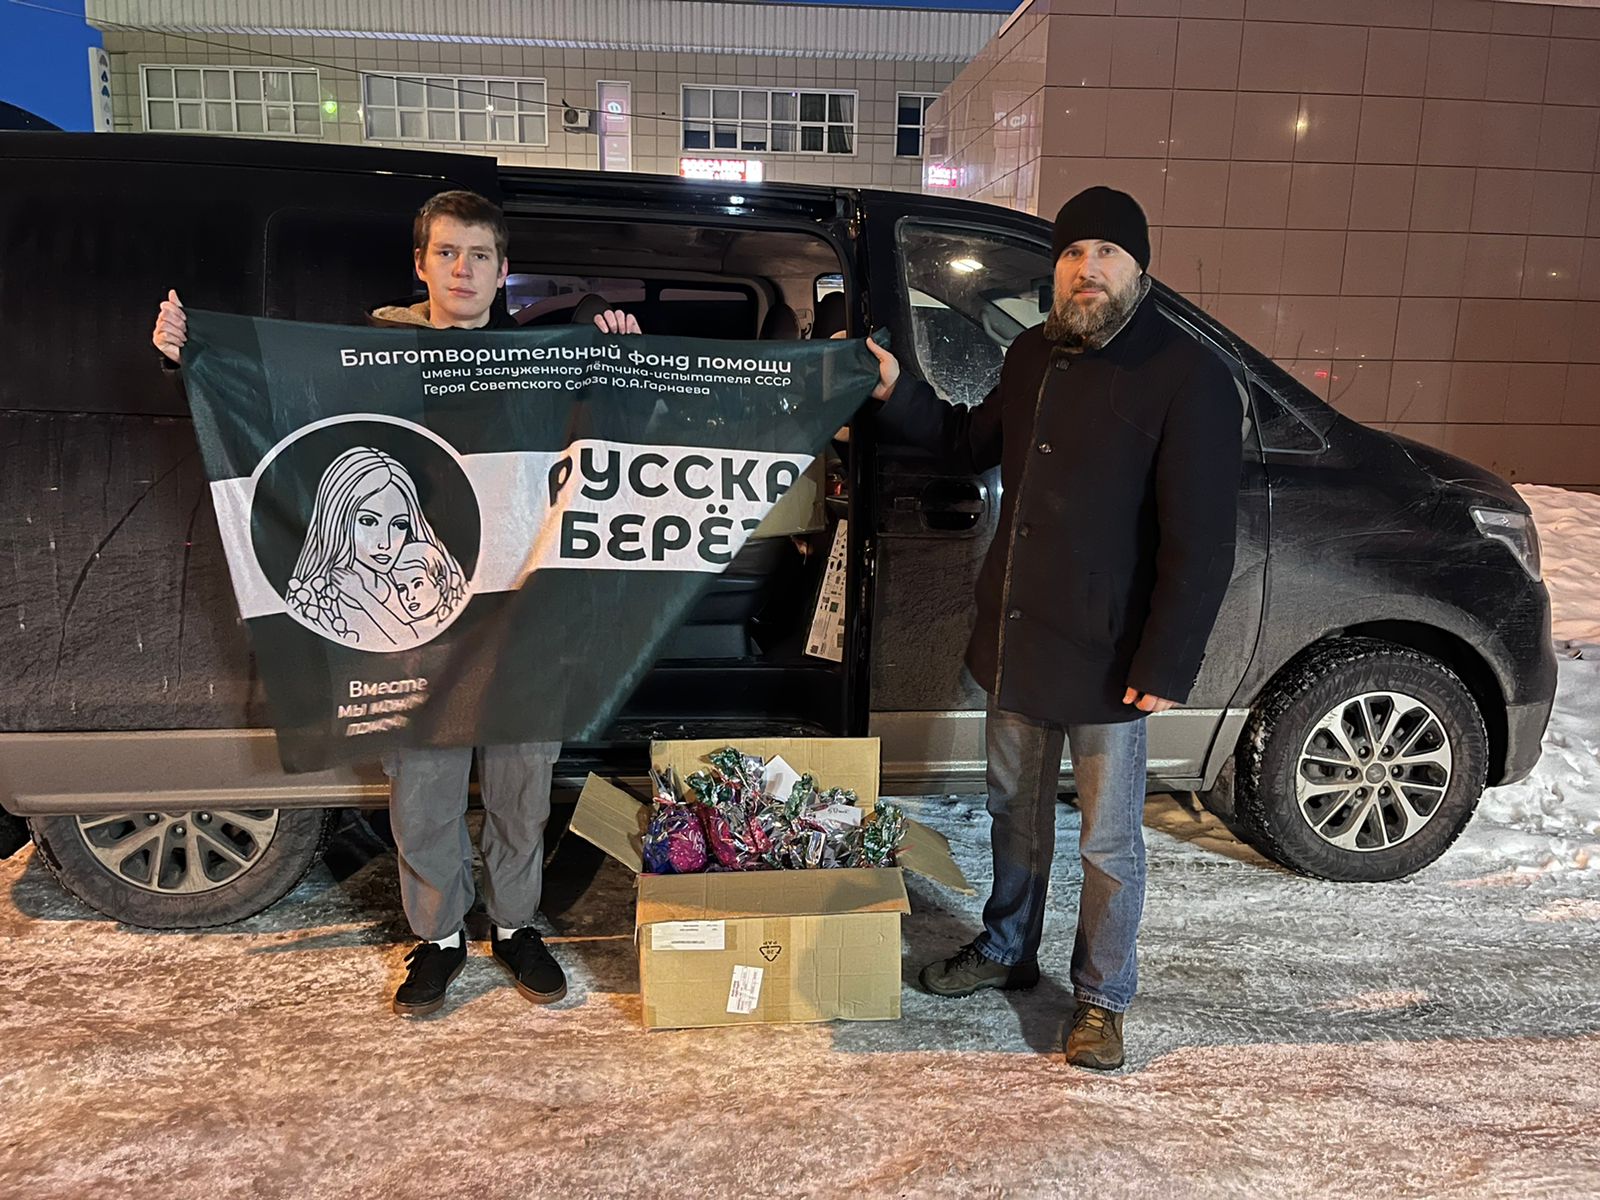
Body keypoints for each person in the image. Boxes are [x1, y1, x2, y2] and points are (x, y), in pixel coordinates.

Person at [151, 189, 639, 1018]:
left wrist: (622, 360)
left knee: (522, 787)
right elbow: (269, 395)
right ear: (421, 265)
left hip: (521, 616)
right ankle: (439, 938)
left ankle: (515, 926)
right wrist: (187, 355)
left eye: (479, 255)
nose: (463, 269)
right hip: (414, 627)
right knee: (424, 794)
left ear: (504, 272)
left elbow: (615, 437)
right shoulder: (370, 358)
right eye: (447, 252)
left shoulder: (545, 361)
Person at [864, 187, 1242, 1070]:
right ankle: (1007, 947)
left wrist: (1167, 658)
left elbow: (1201, 540)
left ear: (1139, 269)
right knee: (1014, 813)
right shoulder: (1034, 353)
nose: (1087, 268)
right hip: (1019, 635)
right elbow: (968, 442)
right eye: (1073, 253)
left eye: (1107, 253)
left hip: (1112, 656)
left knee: (1107, 841)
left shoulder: (1186, 373)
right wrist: (894, 391)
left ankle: (1102, 998)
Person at [287, 445, 466, 648]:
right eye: (369, 521)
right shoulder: (315, 598)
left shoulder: (415, 575)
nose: (385, 543)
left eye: (400, 525)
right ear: (338, 519)